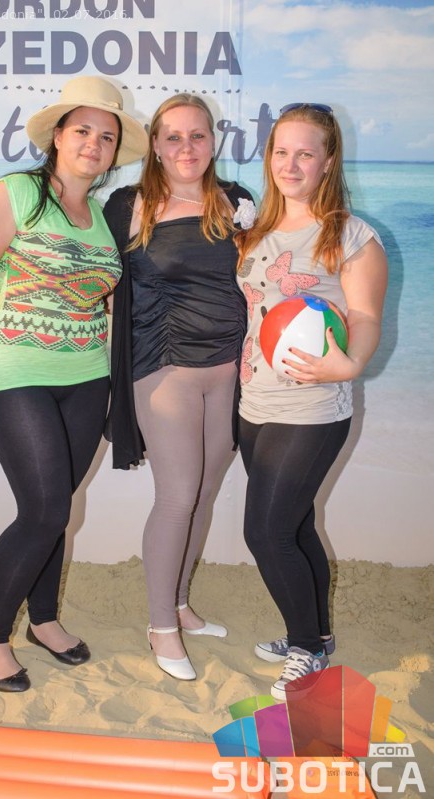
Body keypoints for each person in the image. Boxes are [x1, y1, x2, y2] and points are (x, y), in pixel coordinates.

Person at [0, 76, 148, 692]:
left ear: (114, 151)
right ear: (57, 136)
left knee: (56, 509)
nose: (94, 143)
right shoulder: (18, 194)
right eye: (82, 129)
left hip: (88, 379)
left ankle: (44, 620)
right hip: (19, 376)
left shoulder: (103, 218)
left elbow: (105, 300)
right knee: (45, 509)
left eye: (106, 136)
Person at [235, 103, 388, 701]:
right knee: (295, 526)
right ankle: (317, 634)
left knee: (266, 531)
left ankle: (306, 651)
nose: (290, 164)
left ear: (328, 162)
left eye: (305, 153)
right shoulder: (257, 231)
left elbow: (366, 316)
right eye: (281, 151)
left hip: (313, 408)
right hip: (255, 403)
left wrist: (350, 364)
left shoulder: (350, 235)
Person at [103, 93, 255, 680]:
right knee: (177, 495)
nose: (186, 147)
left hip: (229, 370)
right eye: (173, 137)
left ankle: (182, 604)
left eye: (197, 136)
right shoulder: (130, 204)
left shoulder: (235, 200)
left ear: (213, 141)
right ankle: (160, 625)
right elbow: (103, 282)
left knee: (205, 493)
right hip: (164, 367)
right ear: (156, 144)